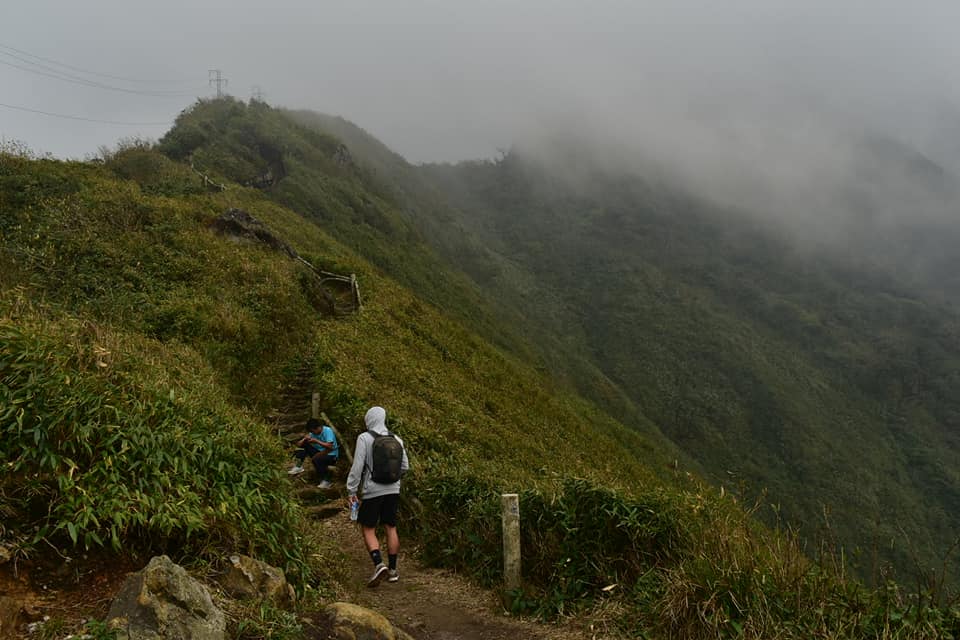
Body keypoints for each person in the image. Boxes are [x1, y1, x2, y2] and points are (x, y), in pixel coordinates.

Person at [346, 406, 409, 587]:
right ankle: (393, 570)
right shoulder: (396, 438)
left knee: (368, 527)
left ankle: (378, 564)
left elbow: (357, 467)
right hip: (393, 489)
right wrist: (393, 478)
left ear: (368, 419)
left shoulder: (364, 438)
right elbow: (405, 466)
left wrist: (351, 490)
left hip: (373, 490)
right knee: (391, 526)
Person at [288, 417, 339, 489]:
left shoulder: (327, 431)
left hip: (331, 455)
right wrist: (304, 439)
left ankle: (326, 481)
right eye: (311, 431)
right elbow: (298, 445)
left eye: (313, 431)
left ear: (319, 427)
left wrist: (316, 441)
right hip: (320, 452)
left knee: (317, 459)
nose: (313, 433)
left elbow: (330, 447)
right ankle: (298, 466)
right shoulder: (312, 433)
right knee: (304, 444)